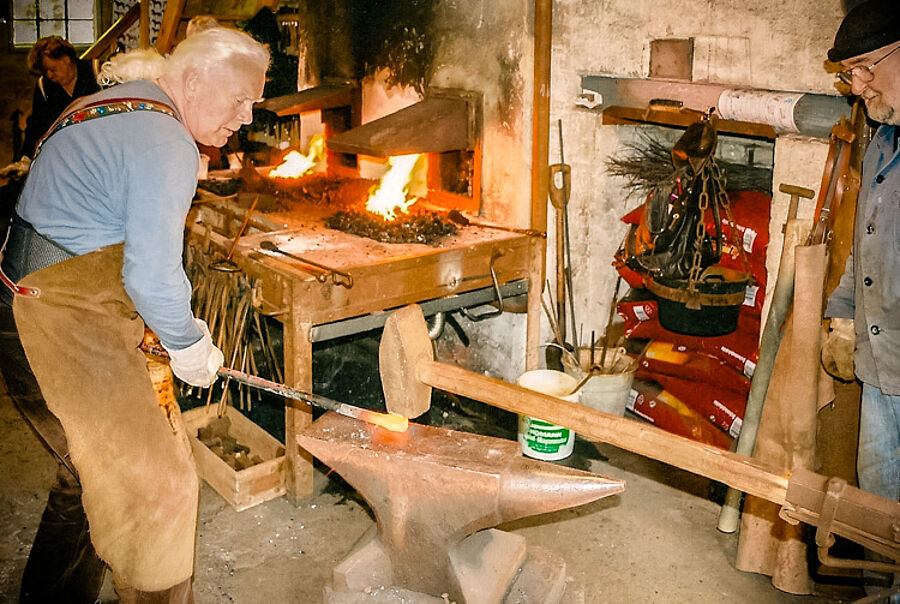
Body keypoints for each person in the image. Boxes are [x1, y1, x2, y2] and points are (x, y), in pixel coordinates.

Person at [0, 27, 268, 603]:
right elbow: (150, 275)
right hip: (50, 318)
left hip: (32, 300)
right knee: (154, 485)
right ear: (194, 81)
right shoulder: (164, 138)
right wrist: (190, 342)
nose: (245, 118)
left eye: (253, 104)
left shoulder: (109, 105)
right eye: (239, 100)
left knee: (85, 476)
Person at [824, 0, 900, 594]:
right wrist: (842, 317)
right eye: (849, 73)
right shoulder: (882, 141)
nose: (858, 85)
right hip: (880, 368)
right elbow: (862, 245)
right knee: (879, 507)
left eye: (866, 67)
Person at [21, 36, 100, 159]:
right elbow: (36, 124)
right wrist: (26, 157)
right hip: (64, 154)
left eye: (52, 69)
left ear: (66, 58)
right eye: (45, 71)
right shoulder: (44, 85)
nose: (50, 75)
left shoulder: (97, 72)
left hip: (98, 150)